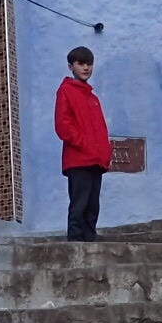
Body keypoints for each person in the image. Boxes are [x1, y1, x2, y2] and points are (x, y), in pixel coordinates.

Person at [54, 45, 112, 242]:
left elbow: (100, 129)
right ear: (71, 66)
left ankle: (90, 242)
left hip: (96, 160)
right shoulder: (66, 91)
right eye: (81, 64)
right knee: (79, 204)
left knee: (93, 206)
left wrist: (105, 152)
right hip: (78, 159)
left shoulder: (93, 98)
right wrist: (84, 143)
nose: (86, 68)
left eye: (89, 64)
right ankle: (76, 245)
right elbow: (63, 125)